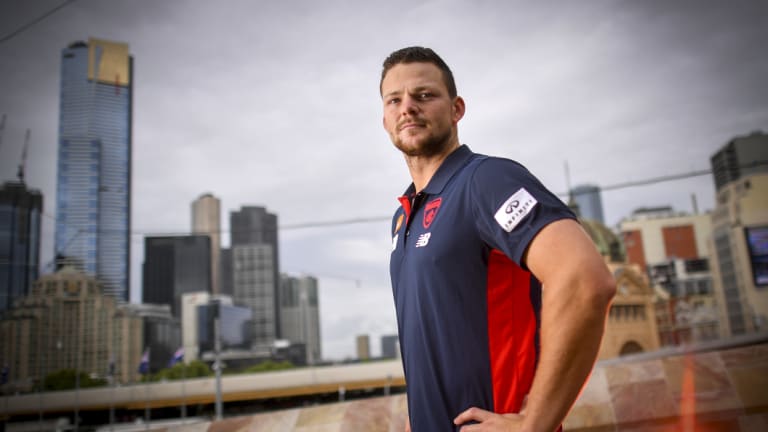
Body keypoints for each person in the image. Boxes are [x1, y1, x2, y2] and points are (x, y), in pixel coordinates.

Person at [381, 46, 616, 432]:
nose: (407, 107)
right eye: (395, 99)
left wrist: (533, 424)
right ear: (385, 118)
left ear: (457, 109)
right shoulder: (403, 216)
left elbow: (584, 281)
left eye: (424, 95)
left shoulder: (486, 180)